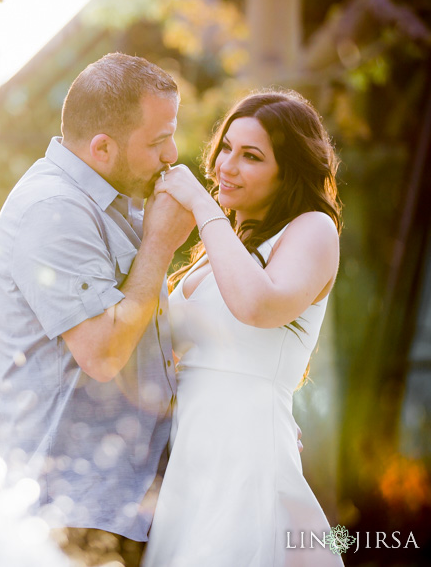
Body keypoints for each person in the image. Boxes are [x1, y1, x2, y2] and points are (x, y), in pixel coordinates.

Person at [0, 53, 194, 567]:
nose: (172, 154)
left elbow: (152, 349)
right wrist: (160, 246)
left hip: (128, 507)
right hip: (74, 516)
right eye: (156, 141)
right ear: (102, 147)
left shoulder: (118, 200)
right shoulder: (53, 211)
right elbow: (103, 354)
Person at [142, 89, 343, 566]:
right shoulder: (221, 248)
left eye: (250, 156)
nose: (227, 165)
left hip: (247, 453)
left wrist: (199, 201)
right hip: (191, 461)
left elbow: (258, 305)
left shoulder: (313, 229)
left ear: (288, 171)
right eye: (226, 147)